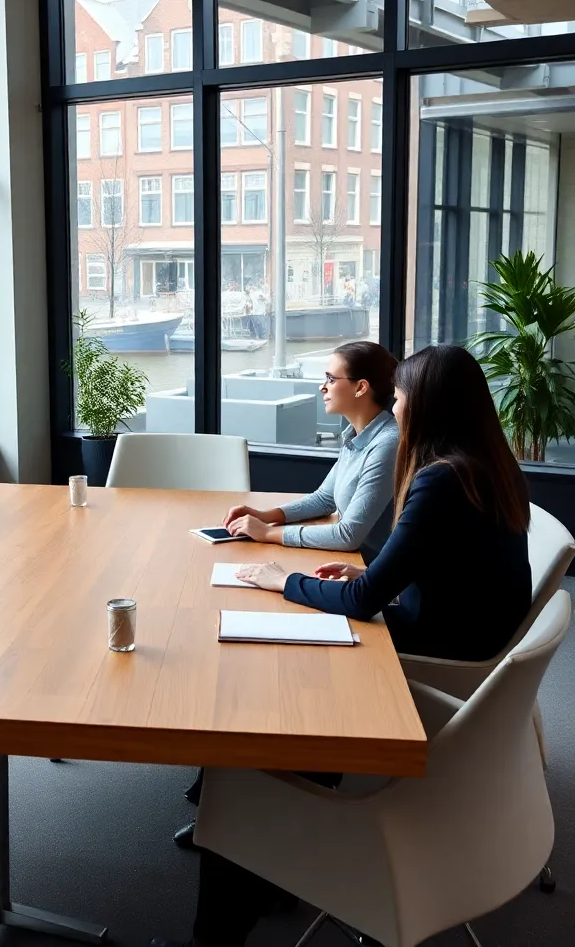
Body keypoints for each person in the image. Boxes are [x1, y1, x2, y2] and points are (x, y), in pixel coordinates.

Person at [157, 345, 532, 947]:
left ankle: (228, 911)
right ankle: (271, 857)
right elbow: (420, 567)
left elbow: (364, 601)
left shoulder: (438, 479)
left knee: (271, 709)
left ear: (427, 406)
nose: (397, 408)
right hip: (459, 635)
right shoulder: (486, 465)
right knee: (285, 673)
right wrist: (363, 578)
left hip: (436, 653)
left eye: (404, 398)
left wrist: (287, 581)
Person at [224, 342, 400, 560]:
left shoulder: (387, 443)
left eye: (331, 379)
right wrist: (264, 516)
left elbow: (348, 535)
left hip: (376, 577)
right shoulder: (356, 435)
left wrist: (268, 533)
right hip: (355, 564)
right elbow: (324, 499)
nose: (322, 387)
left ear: (361, 387)